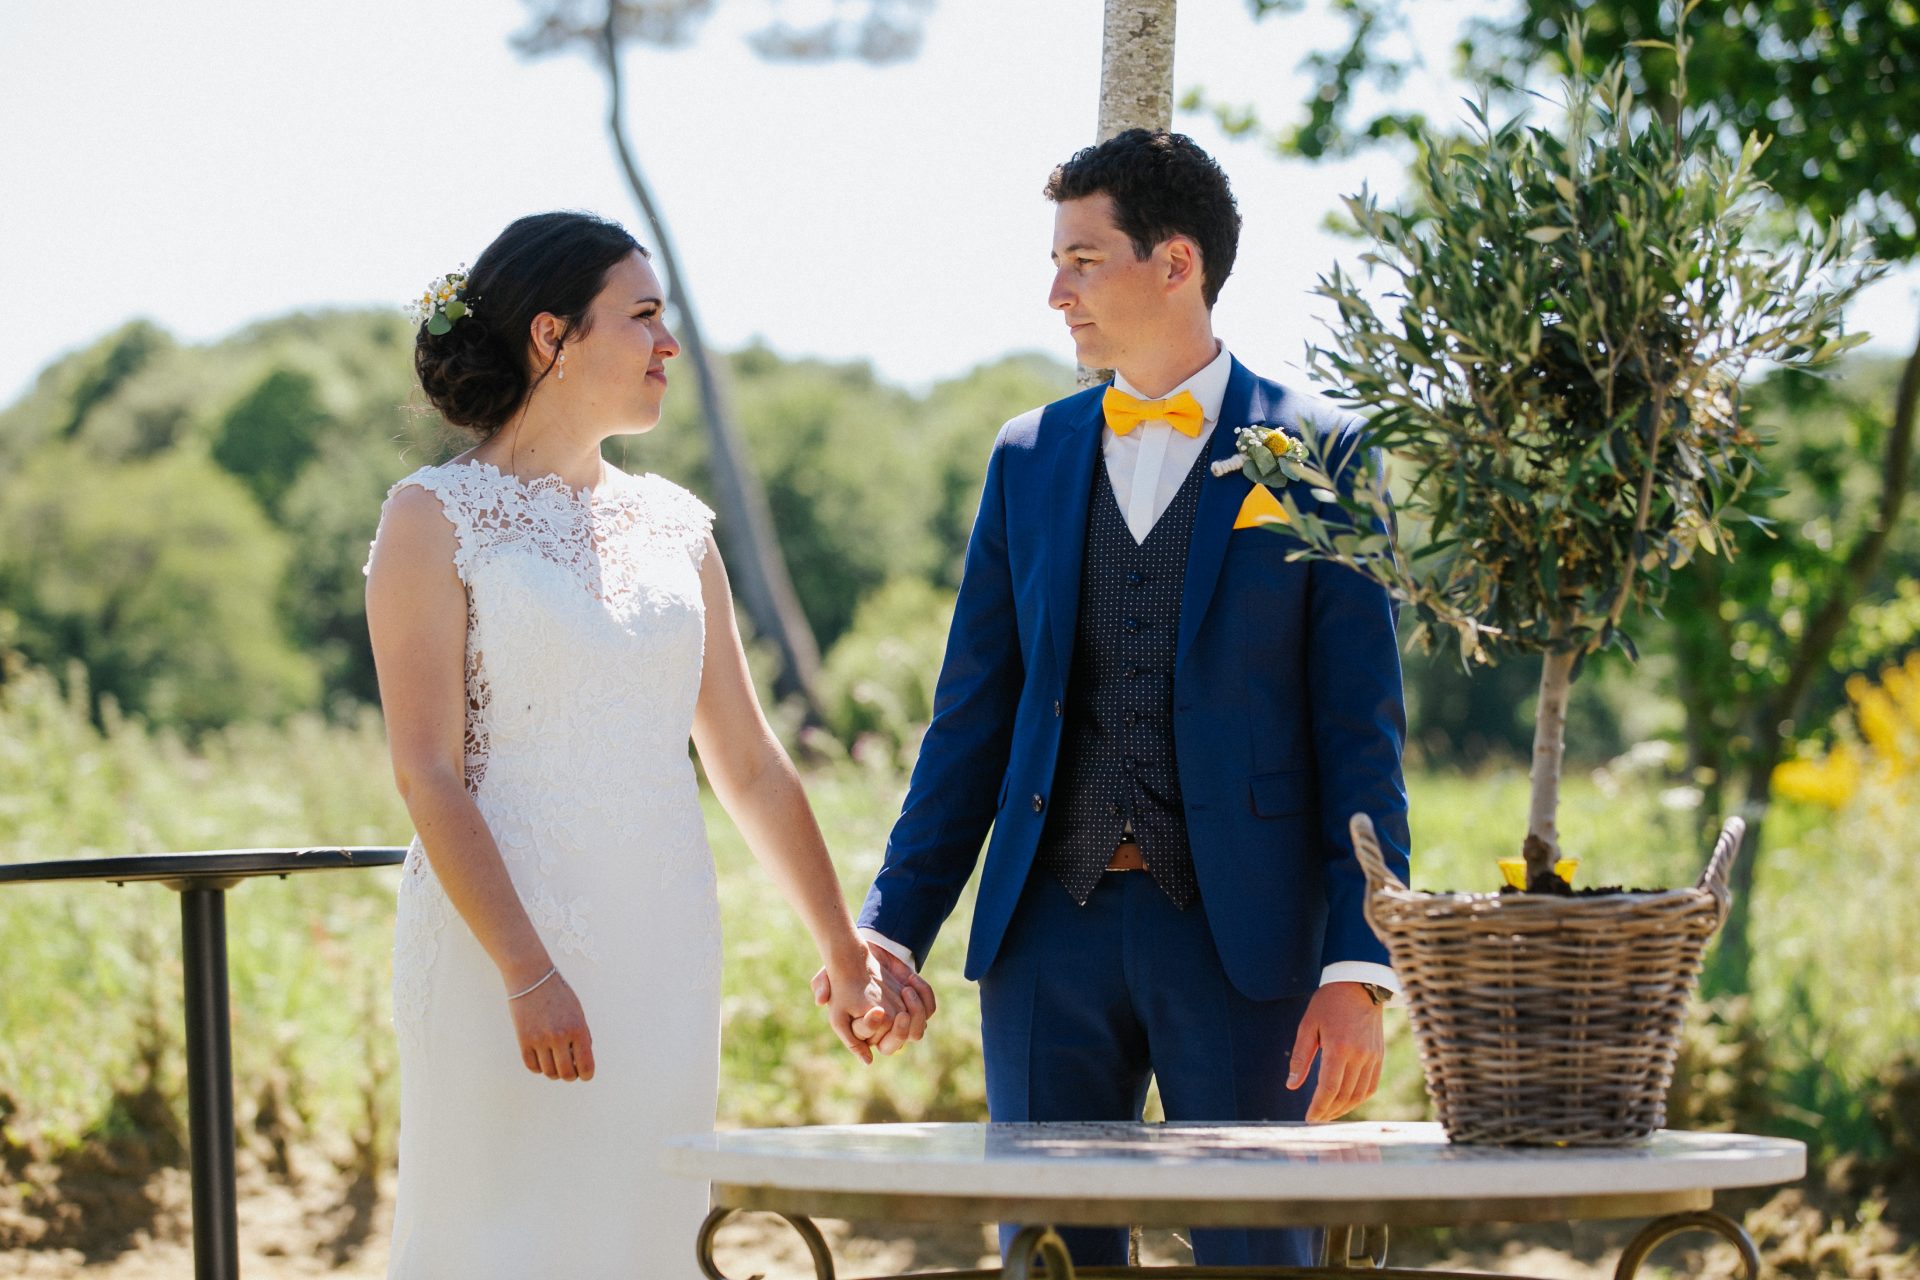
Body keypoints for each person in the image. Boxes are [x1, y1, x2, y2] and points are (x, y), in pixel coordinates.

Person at [841, 130, 1414, 1268]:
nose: (1056, 291)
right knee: (1049, 1255)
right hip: (1047, 936)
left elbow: (1363, 731)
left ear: (1176, 263)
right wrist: (891, 925)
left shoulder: (1324, 451)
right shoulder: (1029, 455)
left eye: (1083, 259)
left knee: (1261, 1256)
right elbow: (971, 723)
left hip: (1246, 939)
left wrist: (1360, 967)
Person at [363, 210, 928, 1277]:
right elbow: (426, 770)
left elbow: (750, 762)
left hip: (662, 943)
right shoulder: (432, 516)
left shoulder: (677, 525)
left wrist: (843, 953)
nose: (670, 343)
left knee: (647, 1234)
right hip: (504, 948)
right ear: (552, 336)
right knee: (502, 1232)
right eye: (643, 315)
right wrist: (529, 970)